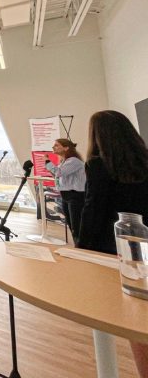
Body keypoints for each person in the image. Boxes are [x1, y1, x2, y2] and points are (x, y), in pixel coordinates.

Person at [79, 110, 148, 377]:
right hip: (143, 245)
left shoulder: (99, 165)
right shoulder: (144, 161)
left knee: (133, 318)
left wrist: (82, 247)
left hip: (115, 249)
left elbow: (93, 208)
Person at [45, 139, 86, 244]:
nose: (53, 147)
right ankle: (78, 245)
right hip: (66, 195)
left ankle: (81, 246)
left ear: (66, 148)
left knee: (76, 225)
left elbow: (59, 173)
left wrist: (47, 162)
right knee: (71, 224)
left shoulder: (74, 161)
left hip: (75, 196)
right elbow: (58, 176)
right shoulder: (64, 161)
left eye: (56, 145)